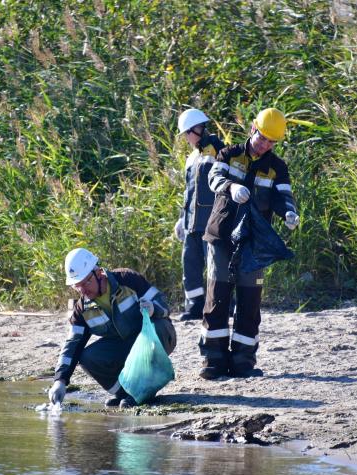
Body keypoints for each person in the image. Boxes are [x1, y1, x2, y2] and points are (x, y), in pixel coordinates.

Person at [199, 108, 299, 379]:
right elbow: (214, 178)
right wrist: (231, 187)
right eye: (262, 137)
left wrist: (289, 212)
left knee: (249, 300)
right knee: (217, 297)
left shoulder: (277, 167)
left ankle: (244, 361)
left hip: (254, 242)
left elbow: (283, 197)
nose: (264, 144)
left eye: (271, 141)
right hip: (221, 235)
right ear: (253, 128)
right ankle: (213, 360)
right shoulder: (228, 154)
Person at [48, 248, 177, 408]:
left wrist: (153, 308)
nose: (83, 290)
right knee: (88, 357)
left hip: (156, 339)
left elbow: (163, 304)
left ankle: (144, 392)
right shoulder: (82, 309)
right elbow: (72, 345)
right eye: (77, 286)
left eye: (86, 282)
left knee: (158, 325)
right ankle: (126, 393)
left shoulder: (128, 279)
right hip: (123, 348)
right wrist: (60, 380)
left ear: (99, 273)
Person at [173, 108, 225, 321]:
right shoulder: (192, 157)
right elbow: (189, 191)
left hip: (211, 221)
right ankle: (195, 305)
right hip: (191, 222)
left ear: (198, 128)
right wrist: (181, 219)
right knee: (190, 264)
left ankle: (222, 304)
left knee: (216, 265)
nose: (186, 138)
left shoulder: (218, 150)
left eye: (187, 133)